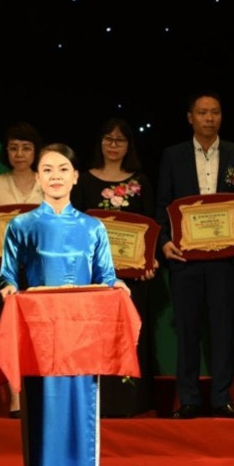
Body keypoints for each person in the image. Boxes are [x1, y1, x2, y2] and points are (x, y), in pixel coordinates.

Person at [0, 143, 121, 466]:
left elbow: (106, 277)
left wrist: (116, 287)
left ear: (75, 176)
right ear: (37, 177)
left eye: (63, 169)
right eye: (47, 169)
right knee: (42, 427)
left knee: (81, 427)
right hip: (40, 342)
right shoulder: (21, 227)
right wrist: (8, 289)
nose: (55, 176)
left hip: (82, 342)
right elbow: (8, 275)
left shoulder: (93, 228)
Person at [155, 91, 234, 419]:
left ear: (221, 116)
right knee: (187, 330)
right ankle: (188, 399)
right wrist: (164, 242)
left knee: (224, 329)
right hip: (185, 258)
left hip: (225, 259)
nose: (209, 118)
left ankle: (221, 398)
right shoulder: (173, 155)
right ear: (190, 118)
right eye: (202, 112)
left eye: (215, 112)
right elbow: (162, 204)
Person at [71, 117, 156, 417]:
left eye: (120, 140)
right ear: (100, 143)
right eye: (108, 139)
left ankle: (132, 403)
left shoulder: (140, 182)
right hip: (94, 278)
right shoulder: (83, 181)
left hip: (133, 278)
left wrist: (149, 260)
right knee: (97, 337)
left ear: (128, 145)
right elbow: (74, 226)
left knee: (132, 335)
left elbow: (150, 226)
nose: (113, 145)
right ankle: (99, 403)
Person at [0, 122, 43, 417]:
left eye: (26, 148)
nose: (19, 154)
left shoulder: (47, 181)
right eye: (14, 148)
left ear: (35, 151)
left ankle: (41, 395)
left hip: (42, 269)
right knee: (9, 332)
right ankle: (16, 398)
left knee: (40, 331)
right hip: (6, 269)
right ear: (6, 151)